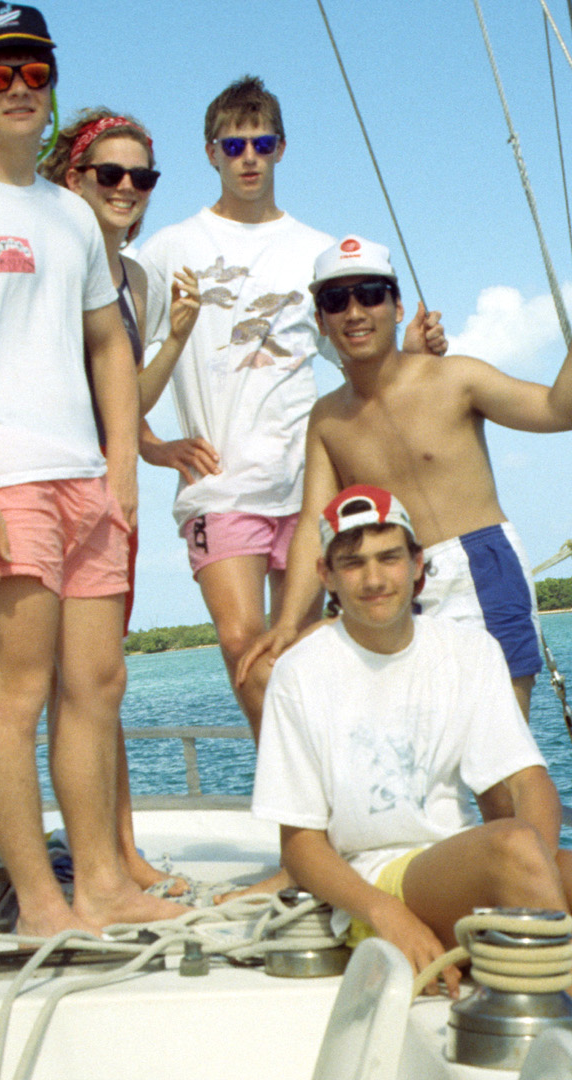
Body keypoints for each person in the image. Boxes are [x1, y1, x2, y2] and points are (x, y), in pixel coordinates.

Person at [0, 2, 182, 936]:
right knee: (16, 694)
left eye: (35, 72)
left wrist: (122, 467)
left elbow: (107, 344)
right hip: (2, 477)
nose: (19, 89)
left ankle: (103, 884)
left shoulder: (69, 214)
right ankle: (42, 901)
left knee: (98, 687)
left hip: (85, 478)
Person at [251, 485, 572, 1044]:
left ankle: (549, 1047)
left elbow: (528, 781)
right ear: (326, 575)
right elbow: (300, 846)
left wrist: (539, 872)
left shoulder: (468, 650)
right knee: (512, 846)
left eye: (390, 557)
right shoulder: (300, 673)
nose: (374, 578)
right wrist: (385, 913)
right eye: (353, 563)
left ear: (418, 565)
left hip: (459, 864)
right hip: (375, 876)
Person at [132, 78, 444, 735]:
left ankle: (309, 783)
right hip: (221, 483)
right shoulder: (169, 250)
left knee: (301, 650)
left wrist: (410, 353)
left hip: (309, 482)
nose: (248, 157)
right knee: (243, 646)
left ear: (281, 148)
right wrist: (151, 445)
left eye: (262, 143)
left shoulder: (315, 252)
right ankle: (303, 784)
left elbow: (356, 356)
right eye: (233, 145)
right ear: (211, 153)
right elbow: (115, 364)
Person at [241, 235, 572, 718]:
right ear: (321, 320)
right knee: (402, 742)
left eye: (370, 295)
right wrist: (287, 623)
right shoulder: (327, 418)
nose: (355, 312)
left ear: (397, 306)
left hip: (479, 570)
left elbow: (560, 410)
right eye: (336, 301)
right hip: (390, 584)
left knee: (497, 748)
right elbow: (312, 529)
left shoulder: (455, 378)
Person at [37, 108, 201, 898]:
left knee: (103, 680)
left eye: (143, 176)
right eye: (111, 173)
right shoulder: (47, 262)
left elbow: (125, 399)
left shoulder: (133, 280)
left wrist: (175, 342)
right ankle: (95, 856)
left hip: (111, 490)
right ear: (72, 177)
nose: (128, 187)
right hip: (51, 483)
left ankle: (122, 853)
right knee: (70, 683)